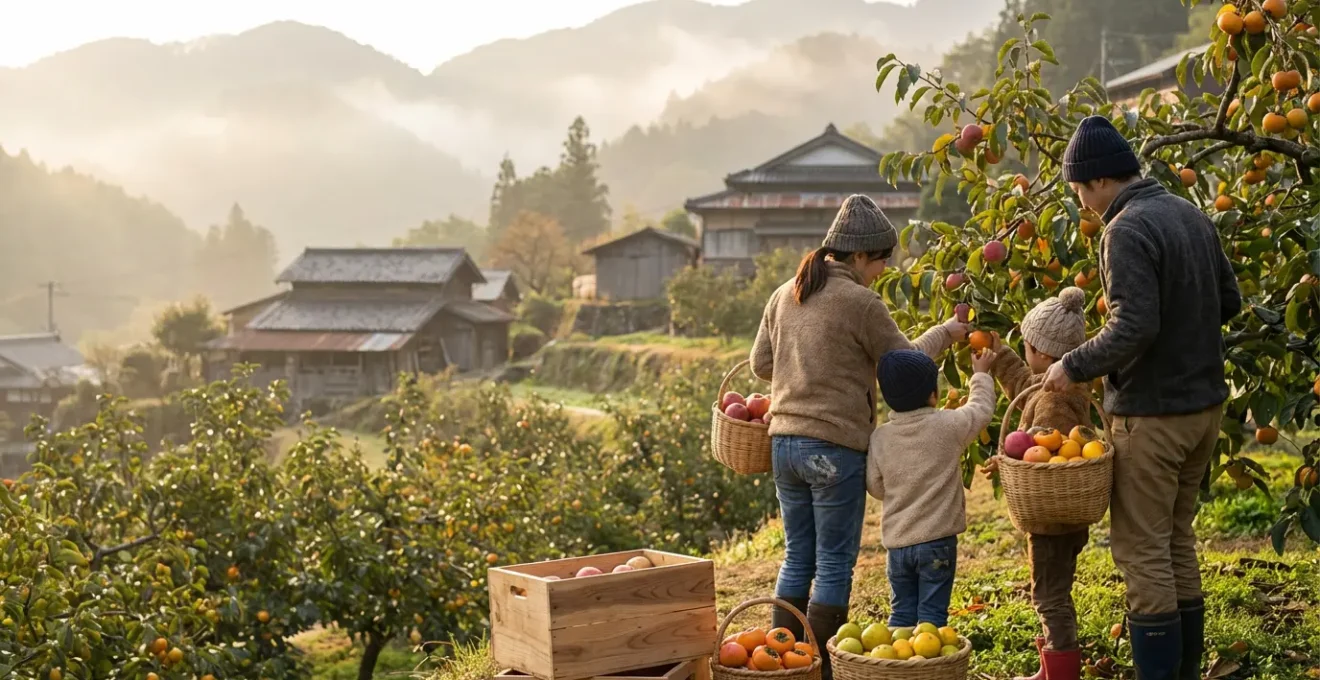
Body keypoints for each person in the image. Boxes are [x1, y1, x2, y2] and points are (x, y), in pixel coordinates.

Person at [1039, 116, 1242, 680]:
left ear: (1099, 180)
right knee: (1176, 537)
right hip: (1203, 407)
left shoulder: (1125, 228)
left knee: (1142, 550)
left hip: (1153, 414)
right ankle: (1186, 668)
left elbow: (1134, 327)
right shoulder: (1189, 214)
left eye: (1080, 189)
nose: (1083, 202)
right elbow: (1229, 300)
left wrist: (1071, 364)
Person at [750, 194, 968, 677]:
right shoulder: (861, 302)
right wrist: (950, 331)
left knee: (797, 554)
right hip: (833, 447)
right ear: (860, 255)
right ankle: (825, 669)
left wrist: (804, 371)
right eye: (881, 259)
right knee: (832, 563)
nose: (883, 269)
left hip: (784, 442)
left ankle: (787, 662)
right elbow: (905, 362)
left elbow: (761, 365)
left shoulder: (785, 291)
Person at [979, 287, 1093, 680]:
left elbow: (1048, 452)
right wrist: (1001, 356)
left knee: (1049, 597)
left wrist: (1005, 459)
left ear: (1044, 353)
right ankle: (1051, 670)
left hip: (1052, 519)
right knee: (1052, 591)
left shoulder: (1055, 403)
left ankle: (1061, 672)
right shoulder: (1055, 385)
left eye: (1025, 345)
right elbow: (1023, 384)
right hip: (1066, 518)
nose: (1024, 352)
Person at [867, 347, 998, 628]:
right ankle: (931, 667)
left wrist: (901, 488)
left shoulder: (880, 438)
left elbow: (875, 487)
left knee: (901, 614)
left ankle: (896, 666)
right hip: (937, 543)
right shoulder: (948, 425)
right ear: (933, 395)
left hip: (898, 547)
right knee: (932, 618)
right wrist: (981, 375)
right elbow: (982, 410)